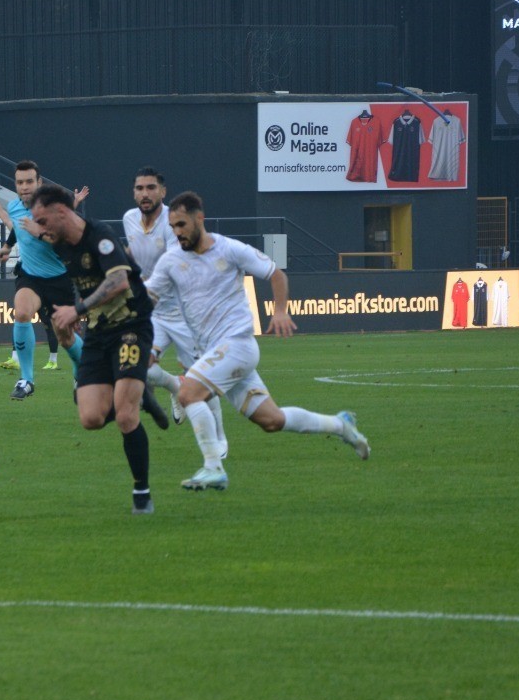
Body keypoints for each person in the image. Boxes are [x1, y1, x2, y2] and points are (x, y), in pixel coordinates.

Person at [143, 190, 370, 491]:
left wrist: (279, 311)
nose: (177, 233)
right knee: (272, 420)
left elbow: (276, 274)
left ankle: (213, 467)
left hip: (237, 344)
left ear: (200, 218)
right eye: (172, 227)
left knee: (187, 394)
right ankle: (341, 425)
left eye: (182, 225)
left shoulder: (230, 249)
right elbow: (147, 298)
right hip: (217, 353)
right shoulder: (171, 260)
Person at [28, 183, 158, 515]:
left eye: (43, 222)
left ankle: (141, 492)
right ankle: (138, 394)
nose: (42, 230)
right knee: (90, 418)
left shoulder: (100, 235)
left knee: (125, 418)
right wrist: (73, 317)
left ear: (62, 211)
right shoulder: (61, 244)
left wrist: (77, 310)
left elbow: (118, 282)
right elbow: (81, 281)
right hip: (99, 334)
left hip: (131, 326)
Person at [123, 166, 229, 463]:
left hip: (183, 312)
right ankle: (173, 384)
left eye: (151, 188)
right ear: (134, 193)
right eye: (140, 188)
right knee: (139, 368)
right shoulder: (129, 219)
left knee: (202, 379)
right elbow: (135, 254)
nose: (145, 193)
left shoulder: (173, 223)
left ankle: (220, 436)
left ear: (162, 192)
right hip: (153, 313)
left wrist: (132, 288)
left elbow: (169, 266)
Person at [0, 163, 86, 400]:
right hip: (30, 276)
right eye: (20, 182)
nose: (24, 187)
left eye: (29, 181)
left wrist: (38, 232)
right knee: (21, 313)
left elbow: (65, 240)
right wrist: (7, 247)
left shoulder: (53, 209)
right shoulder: (14, 207)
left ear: (39, 183)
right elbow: (16, 229)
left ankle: (81, 372)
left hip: (58, 280)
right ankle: (26, 380)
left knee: (66, 337)